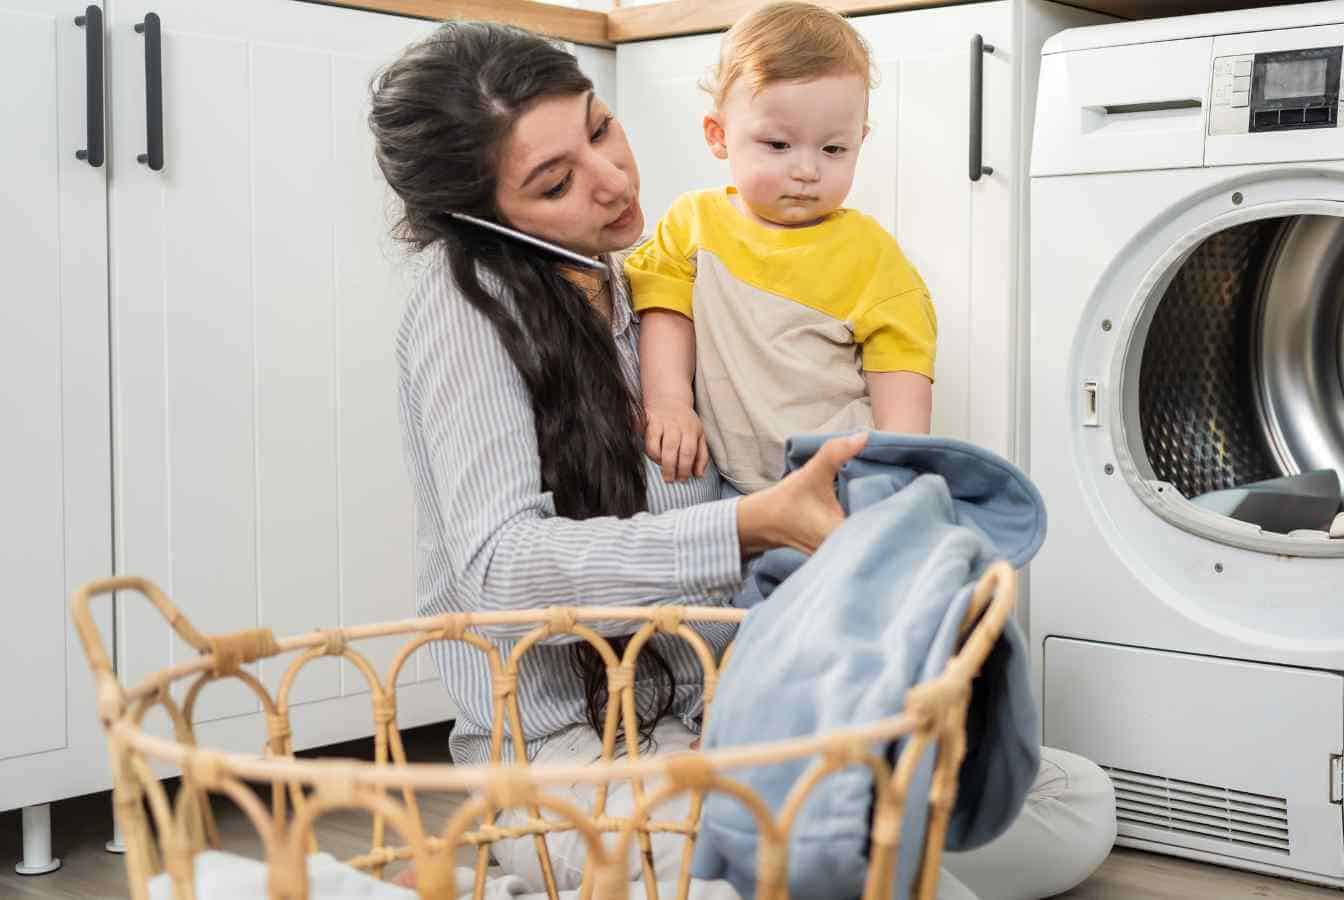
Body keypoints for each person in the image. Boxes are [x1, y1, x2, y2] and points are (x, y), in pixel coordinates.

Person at [368, 20, 1114, 898]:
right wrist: (752, 527)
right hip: (575, 762)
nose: (611, 182)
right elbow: (499, 573)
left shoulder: (646, 279)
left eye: (601, 128)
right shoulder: (467, 308)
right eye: (558, 181)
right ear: (483, 219)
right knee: (898, 882)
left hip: (723, 715)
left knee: (1069, 802)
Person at [627, 2, 936, 494]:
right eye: (778, 145)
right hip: (735, 482)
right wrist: (669, 402)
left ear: (860, 140)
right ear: (719, 135)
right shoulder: (694, 224)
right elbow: (665, 309)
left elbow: (901, 366)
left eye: (833, 149)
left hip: (842, 478)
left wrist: (899, 467)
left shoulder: (870, 253)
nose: (807, 170)